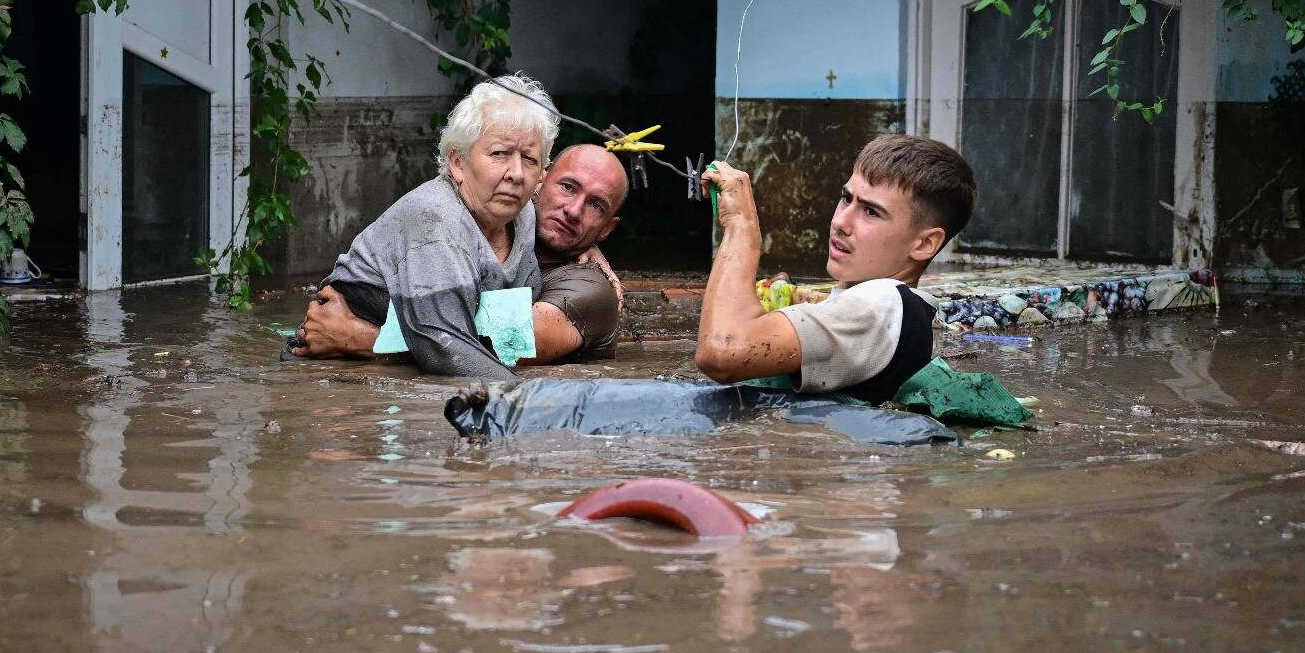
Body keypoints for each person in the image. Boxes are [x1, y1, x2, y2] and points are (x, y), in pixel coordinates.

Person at [291, 73, 555, 381]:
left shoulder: (525, 217)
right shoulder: (435, 216)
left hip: (392, 361)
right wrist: (534, 399)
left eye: (530, 159)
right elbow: (445, 348)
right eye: (499, 154)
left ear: (541, 176)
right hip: (334, 374)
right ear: (458, 162)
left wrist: (591, 251)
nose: (517, 173)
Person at [694, 134, 976, 404]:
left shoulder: (881, 302)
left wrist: (741, 225)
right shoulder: (901, 312)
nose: (841, 222)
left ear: (925, 243)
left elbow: (723, 350)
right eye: (846, 198)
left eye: (871, 211)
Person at [296, 141, 630, 366]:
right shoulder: (487, 226)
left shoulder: (591, 289)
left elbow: (499, 349)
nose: (573, 210)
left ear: (606, 229)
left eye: (595, 206)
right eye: (568, 187)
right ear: (538, 182)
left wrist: (358, 339)